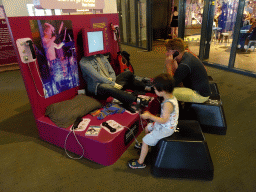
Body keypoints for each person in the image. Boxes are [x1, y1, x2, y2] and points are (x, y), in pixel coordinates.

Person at [128, 73, 179, 169]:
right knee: (147, 127)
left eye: (155, 89)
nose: (154, 90)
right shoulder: (169, 97)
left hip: (167, 128)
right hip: (165, 124)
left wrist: (150, 116)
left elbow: (164, 120)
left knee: (145, 140)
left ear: (163, 91)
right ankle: (146, 145)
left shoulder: (168, 104)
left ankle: (140, 162)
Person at [79, 54, 151, 113]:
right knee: (108, 87)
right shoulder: (84, 62)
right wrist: (112, 84)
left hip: (110, 82)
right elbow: (97, 78)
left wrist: (112, 80)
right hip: (97, 87)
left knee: (128, 73)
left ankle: (146, 88)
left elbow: (111, 71)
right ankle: (137, 100)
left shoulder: (101, 56)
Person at [165, 38, 211, 103]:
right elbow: (178, 78)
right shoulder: (186, 55)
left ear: (176, 52)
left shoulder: (184, 65)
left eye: (168, 51)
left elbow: (170, 86)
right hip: (196, 88)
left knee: (166, 93)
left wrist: (168, 66)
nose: (166, 53)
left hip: (200, 95)